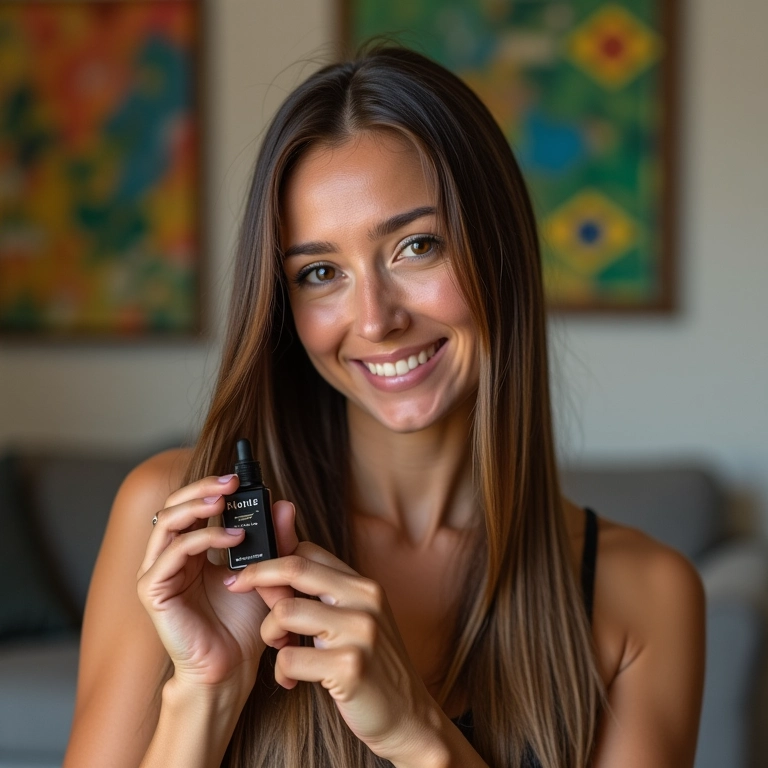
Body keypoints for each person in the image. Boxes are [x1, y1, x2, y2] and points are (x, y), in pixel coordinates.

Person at [63, 45, 705, 768]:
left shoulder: (645, 596)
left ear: (500, 249)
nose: (374, 320)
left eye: (416, 246)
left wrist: (419, 737)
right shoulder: (180, 523)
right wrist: (206, 691)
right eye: (321, 272)